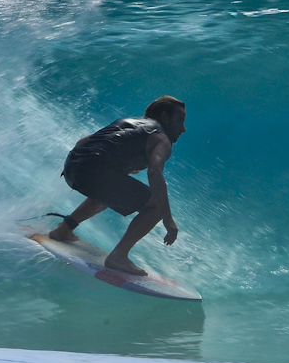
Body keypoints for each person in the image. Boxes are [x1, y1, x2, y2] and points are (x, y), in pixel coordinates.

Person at [49, 96, 186, 276]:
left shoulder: (128, 122)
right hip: (95, 172)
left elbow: (83, 143)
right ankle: (119, 256)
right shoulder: (161, 139)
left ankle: (63, 230)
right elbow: (154, 172)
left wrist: (115, 166)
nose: (183, 129)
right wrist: (167, 218)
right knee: (157, 204)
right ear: (164, 117)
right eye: (180, 121)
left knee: (111, 190)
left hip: (72, 167)